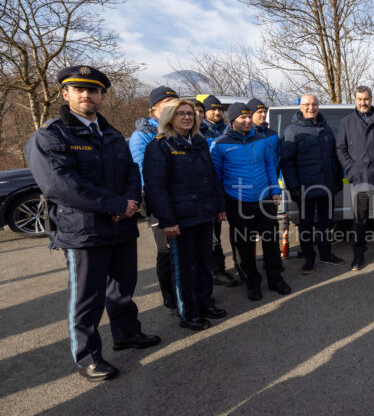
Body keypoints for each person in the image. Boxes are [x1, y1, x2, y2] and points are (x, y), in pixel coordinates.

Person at [24, 66, 160, 382]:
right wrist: (115, 204)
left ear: (101, 95)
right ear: (65, 93)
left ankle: (127, 334)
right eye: (79, 89)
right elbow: (60, 185)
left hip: (121, 225)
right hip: (83, 231)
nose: (87, 95)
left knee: (122, 288)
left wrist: (131, 203)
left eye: (93, 90)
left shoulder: (111, 134)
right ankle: (88, 356)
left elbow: (130, 172)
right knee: (87, 297)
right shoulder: (51, 135)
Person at [143, 99, 228, 331]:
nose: (187, 117)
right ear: (169, 117)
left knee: (204, 263)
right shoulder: (160, 146)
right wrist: (167, 221)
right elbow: (156, 188)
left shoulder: (198, 142)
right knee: (184, 268)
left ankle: (205, 303)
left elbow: (211, 177)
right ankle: (188, 313)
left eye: (190, 113)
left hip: (203, 214)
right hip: (180, 219)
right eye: (181, 113)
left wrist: (220, 206)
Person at [211, 103, 291, 301]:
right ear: (233, 120)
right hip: (238, 202)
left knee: (271, 242)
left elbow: (270, 166)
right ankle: (252, 282)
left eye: (249, 117)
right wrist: (221, 206)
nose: (247, 121)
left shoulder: (261, 139)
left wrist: (274, 190)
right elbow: (216, 178)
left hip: (264, 199)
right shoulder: (220, 144)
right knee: (244, 246)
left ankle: (275, 279)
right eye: (242, 118)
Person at [280, 94, 345, 274]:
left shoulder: (325, 128)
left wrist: (337, 178)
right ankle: (309, 258)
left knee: (326, 223)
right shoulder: (292, 130)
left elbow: (334, 157)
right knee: (306, 224)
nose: (311, 107)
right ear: (300, 107)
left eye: (314, 104)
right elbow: (287, 162)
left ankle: (325, 253)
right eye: (307, 104)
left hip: (326, 185)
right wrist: (293, 187)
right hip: (304, 187)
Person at [336, 85, 374, 270]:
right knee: (359, 220)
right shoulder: (346, 122)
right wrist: (351, 167)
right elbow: (340, 148)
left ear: (371, 99)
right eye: (360, 99)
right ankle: (359, 254)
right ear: (354, 100)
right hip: (358, 179)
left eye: (366, 99)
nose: (363, 102)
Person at [129, 86, 180, 312]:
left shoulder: (180, 131)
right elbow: (144, 174)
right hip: (159, 202)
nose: (172, 107)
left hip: (183, 200)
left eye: (175, 102)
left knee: (185, 250)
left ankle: (187, 293)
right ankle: (170, 298)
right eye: (167, 102)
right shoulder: (142, 135)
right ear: (154, 108)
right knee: (166, 251)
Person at [198, 95, 234, 286]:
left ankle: (226, 267)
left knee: (228, 231)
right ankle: (216, 271)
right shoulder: (200, 132)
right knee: (212, 235)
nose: (217, 112)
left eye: (220, 109)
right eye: (212, 109)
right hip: (209, 190)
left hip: (227, 187)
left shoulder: (228, 130)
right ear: (205, 112)